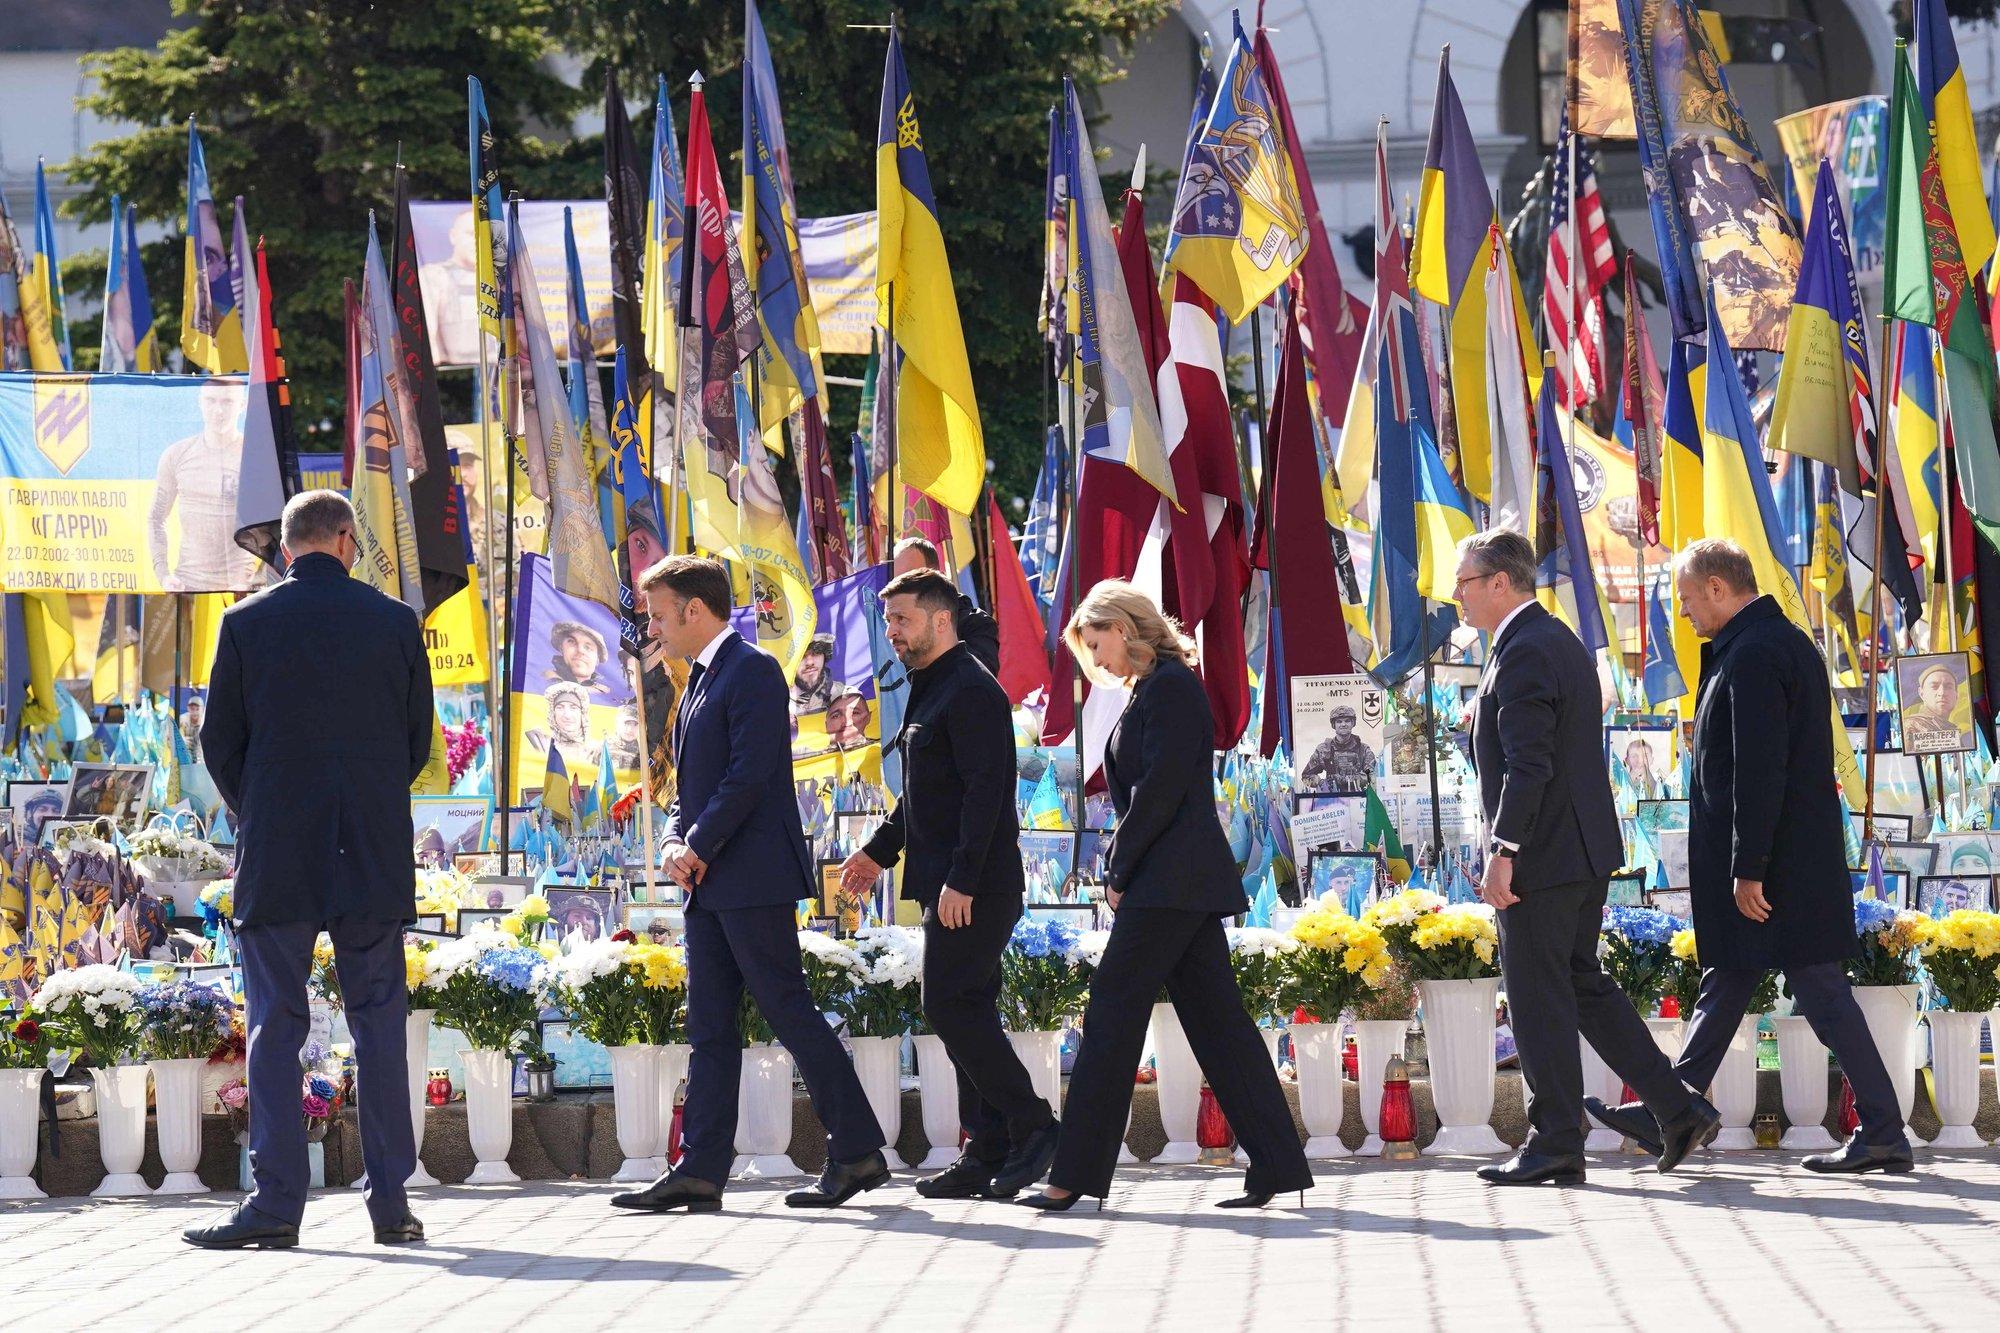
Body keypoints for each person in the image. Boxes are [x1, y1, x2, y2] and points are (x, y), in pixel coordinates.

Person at [1589, 539, 1913, 1174]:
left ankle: (1881, 1130)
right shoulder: (1764, 643)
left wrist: (1749, 867)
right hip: (1784, 859)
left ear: (1717, 587)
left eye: (1686, 598)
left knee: (1820, 991)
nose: (1683, 614)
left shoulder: (1758, 652)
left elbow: (1759, 770)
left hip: (1778, 868)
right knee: (1731, 976)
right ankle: (1674, 1110)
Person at [183, 491, 430, 1250]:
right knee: (380, 1028)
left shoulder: (245, 622)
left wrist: (261, 807)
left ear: (287, 548)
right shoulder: (394, 621)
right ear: (348, 542)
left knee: (274, 1030)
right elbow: (417, 741)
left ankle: (276, 1205)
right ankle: (392, 1204)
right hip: (370, 852)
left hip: (280, 853)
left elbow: (220, 743)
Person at [1020, 581, 1313, 1212]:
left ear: (1123, 629)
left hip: (1168, 884)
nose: (1096, 662)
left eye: (1096, 646)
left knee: (1109, 1020)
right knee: (1220, 1027)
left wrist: (1117, 869)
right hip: (1175, 884)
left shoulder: (1173, 687)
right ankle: (1278, 1163)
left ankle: (1073, 1177)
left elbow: (1161, 790)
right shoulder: (1154, 690)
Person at [611, 555, 887, 1214]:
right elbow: (689, 787)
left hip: (751, 874)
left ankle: (855, 1149)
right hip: (710, 880)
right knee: (709, 1025)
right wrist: (679, 842)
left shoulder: (754, 671)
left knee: (787, 1008)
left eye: (658, 614)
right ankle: (700, 1168)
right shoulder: (699, 681)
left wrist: (697, 844)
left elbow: (751, 773)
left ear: (694, 610)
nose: (652, 628)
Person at [1455, 530, 1717, 1188]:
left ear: (1499, 582)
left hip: (1542, 855)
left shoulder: (1524, 651)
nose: (1455, 595)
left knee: (1538, 994)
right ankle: (1677, 1108)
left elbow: (1530, 764)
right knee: (1579, 984)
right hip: (1576, 850)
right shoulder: (1545, 640)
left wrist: (1503, 851)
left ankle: (1555, 1139)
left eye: (1464, 582)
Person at [841, 569, 1057, 1201]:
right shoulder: (931, 686)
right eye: (888, 621)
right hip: (952, 884)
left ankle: (1035, 1127)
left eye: (902, 619)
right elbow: (924, 795)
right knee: (967, 1009)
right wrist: (878, 854)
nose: (893, 632)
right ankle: (985, 1149)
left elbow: (988, 792)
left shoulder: (971, 688)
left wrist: (961, 879)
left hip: (976, 887)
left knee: (950, 1007)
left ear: (940, 620)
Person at [149, 378, 265, 592]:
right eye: (211, 400)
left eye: (227, 402)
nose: (218, 410)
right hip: (187, 584)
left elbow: (276, 522)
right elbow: (156, 518)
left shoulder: (256, 456)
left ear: (242, 405)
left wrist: (255, 578)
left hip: (241, 587)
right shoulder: (177, 454)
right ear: (200, 402)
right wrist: (163, 575)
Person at [892, 537, 1000, 677]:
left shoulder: (975, 625)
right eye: (896, 583)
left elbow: (977, 680)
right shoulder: (890, 632)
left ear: (938, 578)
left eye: (911, 580)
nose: (902, 591)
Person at [1299, 706, 1374, 793]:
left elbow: (1372, 776)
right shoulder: (1323, 750)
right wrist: (1321, 782)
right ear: (1334, 725)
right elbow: (1306, 776)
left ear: (1353, 723)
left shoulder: (1363, 749)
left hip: (1360, 799)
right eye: (1339, 721)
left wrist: (1344, 780)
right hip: (1332, 800)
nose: (1343, 724)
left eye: (1347, 721)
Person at [1902, 662, 1964, 753]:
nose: (1942, 693)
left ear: (1956, 695)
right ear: (1921, 693)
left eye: (1948, 687)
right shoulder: (1910, 726)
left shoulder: (1952, 729)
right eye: (1934, 687)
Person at [546, 621, 612, 694]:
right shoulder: (542, 681)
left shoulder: (604, 694)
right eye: (572, 642)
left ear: (597, 659)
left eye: (588, 647)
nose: (580, 650)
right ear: (562, 648)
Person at [791, 635, 837, 715]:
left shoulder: (844, 695)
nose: (809, 662)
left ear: (824, 656)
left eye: (816, 653)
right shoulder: (775, 703)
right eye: (801, 656)